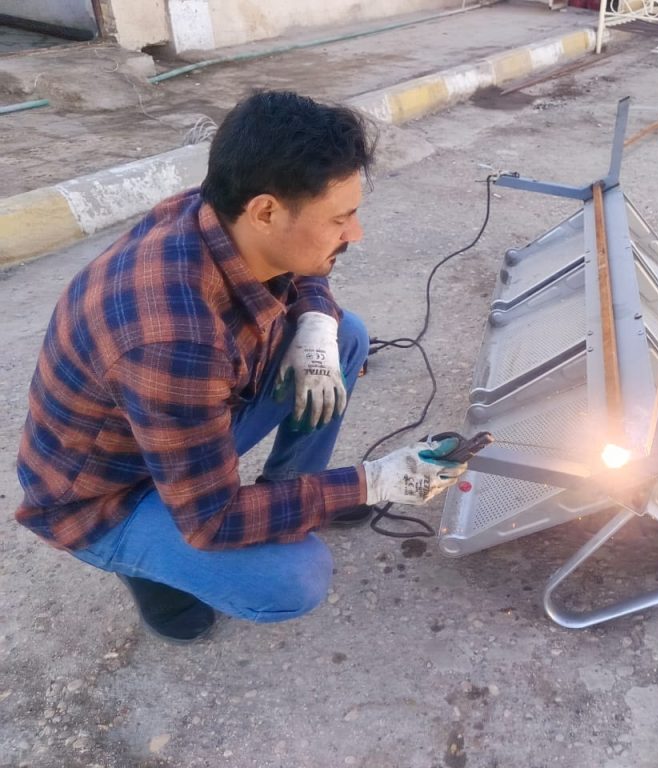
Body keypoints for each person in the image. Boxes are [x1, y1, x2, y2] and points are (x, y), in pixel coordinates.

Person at [15, 90, 467, 644]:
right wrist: (372, 483)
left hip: (179, 428)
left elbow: (303, 266)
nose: (355, 234)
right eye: (340, 218)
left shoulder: (217, 209)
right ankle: (148, 567)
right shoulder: (174, 339)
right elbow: (213, 519)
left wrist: (316, 323)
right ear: (266, 211)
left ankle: (286, 495)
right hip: (109, 494)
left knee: (344, 335)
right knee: (293, 578)